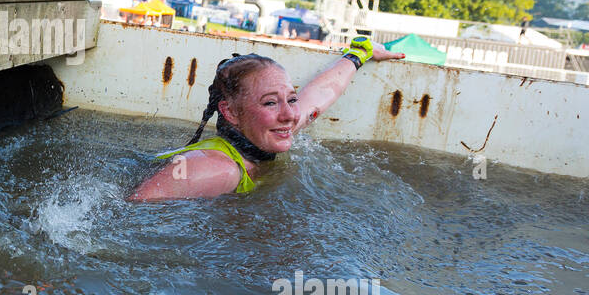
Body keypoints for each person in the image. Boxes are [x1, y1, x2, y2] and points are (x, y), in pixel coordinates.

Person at [127, 36, 405, 201]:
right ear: (231, 112)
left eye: (291, 99)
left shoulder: (274, 127)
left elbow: (320, 95)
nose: (289, 115)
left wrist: (360, 52)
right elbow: (134, 208)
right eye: (270, 102)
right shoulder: (215, 170)